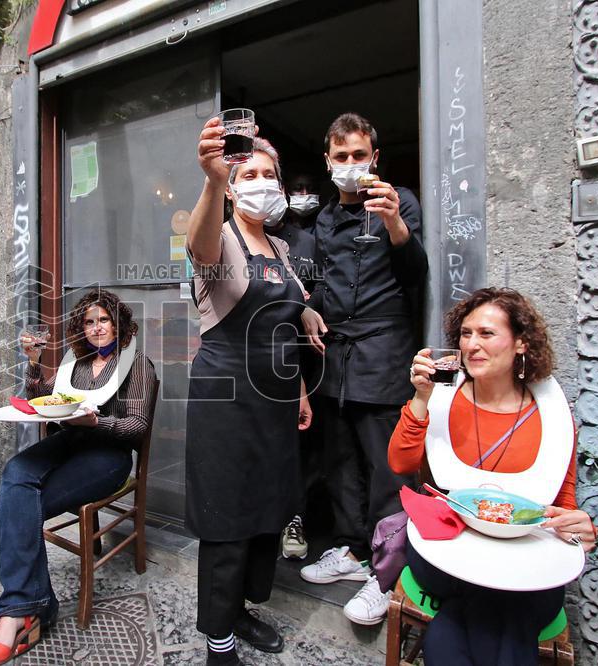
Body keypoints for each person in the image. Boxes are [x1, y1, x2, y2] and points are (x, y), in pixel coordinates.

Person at [390, 287, 597, 664]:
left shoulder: (551, 414)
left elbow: (561, 503)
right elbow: (401, 464)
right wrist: (420, 397)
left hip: (520, 562)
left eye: (486, 333)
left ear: (521, 343)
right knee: (503, 609)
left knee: (480, 610)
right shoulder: (443, 396)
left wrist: (579, 530)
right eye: (466, 334)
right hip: (449, 551)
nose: (472, 345)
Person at [184, 118, 326, 666]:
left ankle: (240, 610)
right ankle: (218, 640)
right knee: (227, 517)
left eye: (270, 174)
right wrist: (211, 179)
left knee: (268, 506)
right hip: (225, 402)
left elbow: (283, 315)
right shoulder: (219, 237)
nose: (262, 182)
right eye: (250, 174)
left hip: (275, 399)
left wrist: (301, 385)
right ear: (232, 185)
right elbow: (199, 249)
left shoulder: (282, 248)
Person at [0, 289, 157, 666]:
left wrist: (98, 423)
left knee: (21, 504)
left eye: (103, 320)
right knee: (15, 473)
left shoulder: (136, 363)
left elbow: (137, 427)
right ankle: (31, 607)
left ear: (118, 323)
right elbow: (43, 397)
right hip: (68, 443)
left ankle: (20, 613)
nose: (97, 328)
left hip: (108, 454)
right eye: (89, 322)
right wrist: (33, 362)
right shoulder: (76, 363)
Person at [300, 112, 428, 626]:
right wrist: (307, 311)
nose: (350, 163)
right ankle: (351, 550)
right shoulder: (324, 219)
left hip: (383, 351)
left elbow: (415, 275)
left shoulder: (401, 202)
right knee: (340, 462)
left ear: (375, 157)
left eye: (359, 154)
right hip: (334, 355)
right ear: (328, 161)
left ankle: (386, 572)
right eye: (341, 156)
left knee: (387, 468)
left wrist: (395, 223)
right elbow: (318, 282)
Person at [270, 169, 322, 561]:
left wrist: (305, 307)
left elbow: (321, 291)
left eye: (270, 179)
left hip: (299, 357)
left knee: (298, 445)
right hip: (254, 359)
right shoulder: (231, 239)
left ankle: (294, 518)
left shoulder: (306, 241)